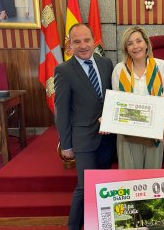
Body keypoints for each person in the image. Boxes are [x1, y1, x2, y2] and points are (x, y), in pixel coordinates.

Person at [54, 23, 116, 230]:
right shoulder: (63, 70)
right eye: (77, 41)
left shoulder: (106, 63)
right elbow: (61, 110)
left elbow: (113, 99)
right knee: (85, 187)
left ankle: (97, 224)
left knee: (102, 187)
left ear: (94, 40)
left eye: (86, 40)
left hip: (107, 138)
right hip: (83, 140)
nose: (83, 45)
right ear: (69, 45)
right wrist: (66, 144)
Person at [111, 26, 164, 169]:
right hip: (127, 134)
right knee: (128, 178)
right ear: (126, 48)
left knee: (150, 179)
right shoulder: (119, 70)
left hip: (154, 131)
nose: (135, 46)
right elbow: (116, 104)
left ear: (146, 43)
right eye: (130, 43)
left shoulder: (161, 66)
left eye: (138, 41)